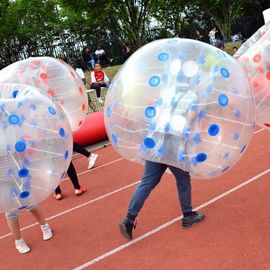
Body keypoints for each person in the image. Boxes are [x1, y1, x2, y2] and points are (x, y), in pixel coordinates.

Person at [119, 90, 205, 240]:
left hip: (155, 139)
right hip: (173, 141)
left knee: (147, 182)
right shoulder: (192, 94)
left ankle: (129, 219)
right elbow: (189, 118)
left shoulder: (168, 89)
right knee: (183, 179)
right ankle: (188, 215)